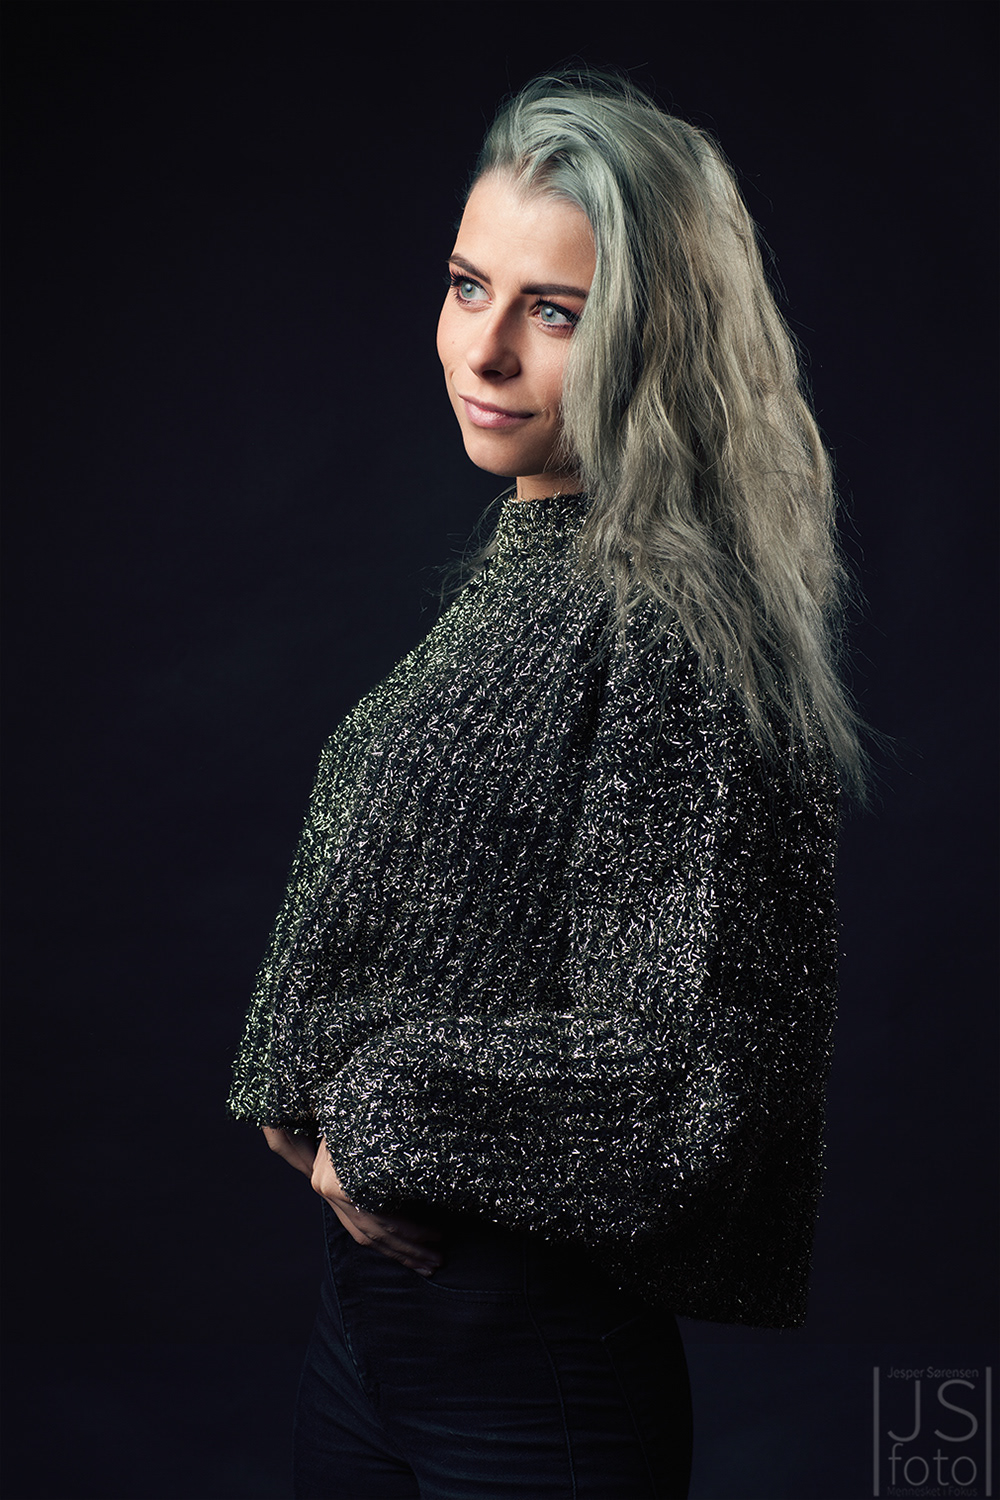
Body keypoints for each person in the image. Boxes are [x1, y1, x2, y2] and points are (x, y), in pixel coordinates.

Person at [228, 69, 862, 1499]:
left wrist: (370, 1112)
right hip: (369, 1347)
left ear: (655, 339)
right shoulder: (534, 561)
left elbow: (682, 1078)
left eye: (555, 313)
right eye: (469, 287)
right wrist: (290, 1080)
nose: (488, 349)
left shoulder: (676, 627)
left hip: (530, 1381)